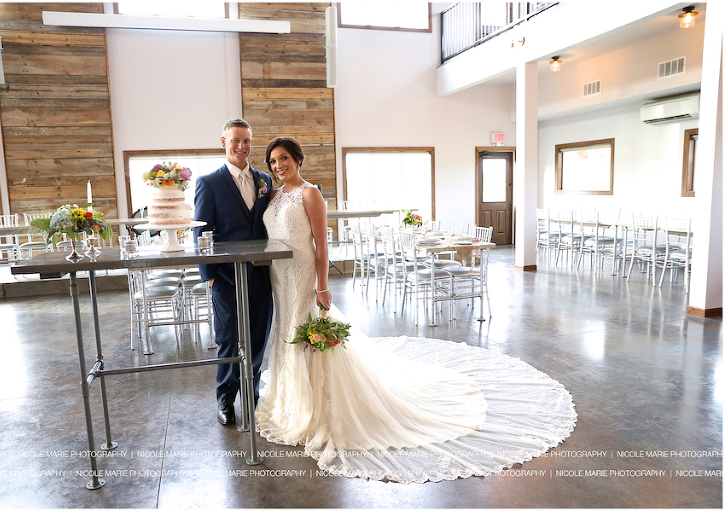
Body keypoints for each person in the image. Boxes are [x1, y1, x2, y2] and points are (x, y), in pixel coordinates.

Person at [255, 136, 577, 483]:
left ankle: (315, 408)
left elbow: (321, 244)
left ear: (298, 160)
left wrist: (322, 285)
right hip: (278, 278)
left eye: (284, 158)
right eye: (272, 161)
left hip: (303, 277)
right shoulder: (271, 196)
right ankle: (290, 400)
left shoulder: (310, 193)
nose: (278, 166)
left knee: (308, 336)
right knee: (287, 334)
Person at [193, 119, 274, 426]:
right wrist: (208, 274)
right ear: (224, 142)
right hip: (225, 277)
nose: (242, 146)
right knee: (228, 338)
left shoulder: (264, 179)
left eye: (247, 141)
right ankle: (226, 399)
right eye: (236, 140)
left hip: (262, 275)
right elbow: (202, 231)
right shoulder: (208, 183)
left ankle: (250, 393)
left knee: (257, 337)